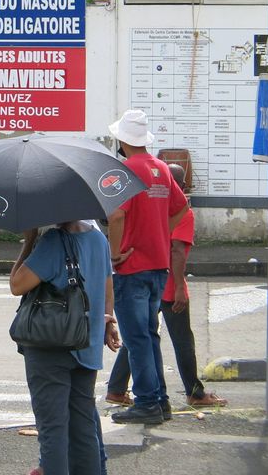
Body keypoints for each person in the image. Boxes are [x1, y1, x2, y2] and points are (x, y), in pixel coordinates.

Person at [106, 163, 227, 409]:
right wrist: (180, 286)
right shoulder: (182, 212)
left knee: (138, 337)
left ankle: (117, 389)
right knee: (182, 340)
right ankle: (194, 392)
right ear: (180, 187)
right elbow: (178, 251)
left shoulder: (150, 207)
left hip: (144, 277)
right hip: (168, 285)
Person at [11, 220, 118, 475]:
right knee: (84, 430)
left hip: (51, 346)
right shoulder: (99, 239)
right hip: (87, 343)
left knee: (53, 431)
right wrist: (108, 321)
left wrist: (29, 242)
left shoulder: (52, 242)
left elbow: (17, 284)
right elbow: (108, 288)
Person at [106, 109, 189, 425]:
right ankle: (159, 400)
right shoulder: (161, 169)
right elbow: (181, 208)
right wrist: (159, 230)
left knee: (137, 338)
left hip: (132, 267)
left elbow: (115, 215)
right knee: (149, 335)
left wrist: (115, 253)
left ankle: (147, 402)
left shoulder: (126, 170)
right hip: (158, 265)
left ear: (122, 139)